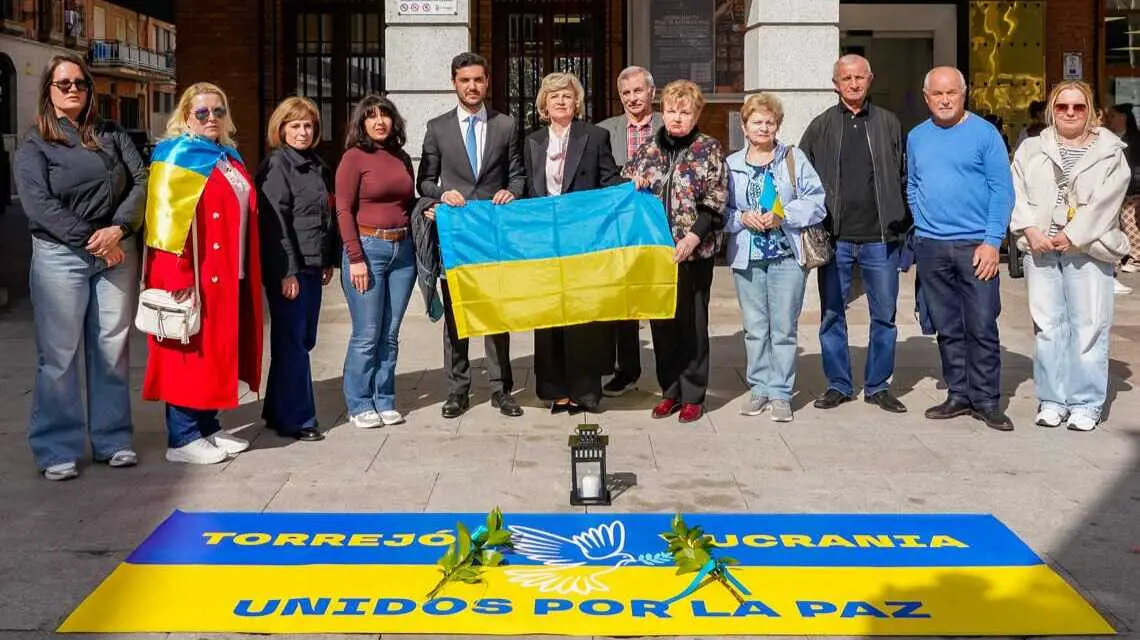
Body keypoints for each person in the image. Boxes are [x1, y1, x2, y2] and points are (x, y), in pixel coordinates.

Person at [14, 53, 146, 480]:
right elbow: (38, 204)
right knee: (59, 354)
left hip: (116, 251)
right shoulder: (35, 142)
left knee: (112, 347)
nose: (73, 89)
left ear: (90, 90)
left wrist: (119, 228)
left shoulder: (111, 133)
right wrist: (94, 240)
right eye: (64, 83)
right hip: (61, 256)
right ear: (49, 91)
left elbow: (142, 180)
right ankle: (57, 448)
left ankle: (113, 439)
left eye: (80, 84)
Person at [142, 82, 263, 464]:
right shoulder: (176, 155)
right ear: (185, 117)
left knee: (215, 352)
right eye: (202, 113)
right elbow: (163, 224)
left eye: (219, 111)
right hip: (195, 271)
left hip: (228, 270)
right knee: (187, 354)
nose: (212, 118)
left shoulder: (227, 155)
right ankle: (182, 438)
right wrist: (174, 275)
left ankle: (207, 426)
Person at [1010, 81, 1131, 431]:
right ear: (1052, 109)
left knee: (1089, 327)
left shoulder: (1111, 153)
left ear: (1091, 110)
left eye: (1078, 107)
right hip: (1041, 250)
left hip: (1088, 251)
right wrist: (1029, 230)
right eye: (1063, 107)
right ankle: (1052, 399)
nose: (1070, 113)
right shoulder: (1032, 148)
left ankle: (1085, 402)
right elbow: (1015, 191)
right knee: (1048, 328)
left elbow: (1107, 202)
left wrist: (1073, 235)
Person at [417, 52, 526, 419]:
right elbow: (424, 181)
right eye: (465, 80)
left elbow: (518, 174)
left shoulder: (506, 125)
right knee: (457, 316)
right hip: (457, 235)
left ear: (487, 82)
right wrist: (439, 194)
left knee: (496, 314)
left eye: (478, 80)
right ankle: (457, 390)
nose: (472, 86)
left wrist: (513, 191)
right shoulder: (437, 127)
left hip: (494, 235)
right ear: (454, 83)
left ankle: (501, 389)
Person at [800, 54, 910, 415]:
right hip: (836, 238)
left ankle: (878, 385)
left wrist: (902, 222)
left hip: (881, 238)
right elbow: (802, 178)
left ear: (870, 79)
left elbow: (905, 175)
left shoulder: (889, 123)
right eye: (846, 78)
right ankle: (839, 384)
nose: (853, 84)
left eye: (859, 77)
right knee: (832, 312)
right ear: (835, 84)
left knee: (885, 315)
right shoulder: (820, 126)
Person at [907, 66, 1015, 431]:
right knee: (948, 325)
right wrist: (922, 226)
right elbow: (914, 183)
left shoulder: (985, 134)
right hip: (932, 245)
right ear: (926, 98)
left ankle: (986, 400)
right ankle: (958, 393)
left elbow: (1003, 190)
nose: (944, 100)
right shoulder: (917, 137)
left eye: (951, 92)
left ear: (963, 93)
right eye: (937, 94)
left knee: (982, 324)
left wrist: (992, 241)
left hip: (976, 245)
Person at [623, 79, 728, 423]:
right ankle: (670, 391)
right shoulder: (648, 149)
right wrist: (632, 182)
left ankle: (694, 394)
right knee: (663, 324)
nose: (677, 118)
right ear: (661, 112)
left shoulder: (708, 148)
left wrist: (693, 238)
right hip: (657, 255)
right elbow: (625, 188)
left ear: (697, 113)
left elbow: (716, 201)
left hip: (694, 253)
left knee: (693, 325)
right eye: (671, 111)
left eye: (685, 112)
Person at [524, 72, 623, 414]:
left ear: (577, 102)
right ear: (544, 105)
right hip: (547, 243)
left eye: (567, 95)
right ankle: (555, 390)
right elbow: (526, 187)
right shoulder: (533, 141)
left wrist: (630, 187)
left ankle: (585, 392)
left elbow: (609, 180)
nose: (561, 101)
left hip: (584, 240)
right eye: (554, 97)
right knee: (551, 312)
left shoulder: (595, 136)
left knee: (584, 316)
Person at [726, 93, 826, 423]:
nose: (763, 127)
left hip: (786, 255)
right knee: (755, 328)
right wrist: (742, 218)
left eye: (770, 122)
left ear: (778, 126)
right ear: (744, 126)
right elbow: (720, 210)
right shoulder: (731, 165)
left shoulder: (792, 159)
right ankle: (759, 388)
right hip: (748, 256)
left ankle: (781, 392)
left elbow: (817, 201)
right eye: (757, 121)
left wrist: (784, 214)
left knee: (783, 328)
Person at [256, 96, 336, 442]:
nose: (303, 131)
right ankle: (299, 419)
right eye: (295, 125)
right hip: (290, 267)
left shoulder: (314, 164)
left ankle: (276, 409)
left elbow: (322, 217)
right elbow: (276, 225)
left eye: (308, 125)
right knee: (294, 344)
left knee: (301, 339)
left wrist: (327, 259)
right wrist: (287, 271)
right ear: (281, 129)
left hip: (311, 264)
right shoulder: (277, 165)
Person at [336, 95, 417, 429]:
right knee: (367, 333)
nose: (379, 121)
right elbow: (343, 209)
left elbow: (408, 202)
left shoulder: (400, 158)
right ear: (362, 124)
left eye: (385, 115)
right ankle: (359, 403)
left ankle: (384, 399)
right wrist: (355, 257)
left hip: (403, 252)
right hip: (367, 250)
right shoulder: (354, 158)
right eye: (371, 116)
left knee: (391, 333)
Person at [597, 65, 664, 397]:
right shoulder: (604, 130)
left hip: (661, 225)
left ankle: (671, 372)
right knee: (623, 301)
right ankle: (627, 369)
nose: (633, 98)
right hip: (620, 229)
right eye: (626, 93)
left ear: (652, 92)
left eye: (639, 91)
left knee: (661, 296)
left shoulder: (670, 125)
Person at [1106, 103, 1140, 284]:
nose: (1109, 120)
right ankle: (1120, 255)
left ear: (1123, 118)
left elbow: (1135, 168)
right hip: (1115, 188)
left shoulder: (1135, 138)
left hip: (1132, 189)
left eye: (1112, 116)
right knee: (1116, 222)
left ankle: (1136, 257)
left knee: (1128, 220)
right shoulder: (1110, 137)